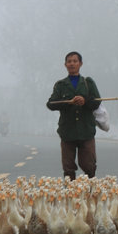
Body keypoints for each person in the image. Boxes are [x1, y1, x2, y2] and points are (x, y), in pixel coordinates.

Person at [46, 51, 101, 180]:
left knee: (89, 165)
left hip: (86, 131)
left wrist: (85, 101)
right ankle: (70, 195)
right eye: (69, 61)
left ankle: (90, 194)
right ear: (65, 65)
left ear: (80, 64)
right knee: (68, 167)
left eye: (75, 61)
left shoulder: (88, 83)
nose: (72, 64)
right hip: (67, 132)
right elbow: (50, 104)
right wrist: (68, 102)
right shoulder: (60, 85)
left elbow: (97, 102)